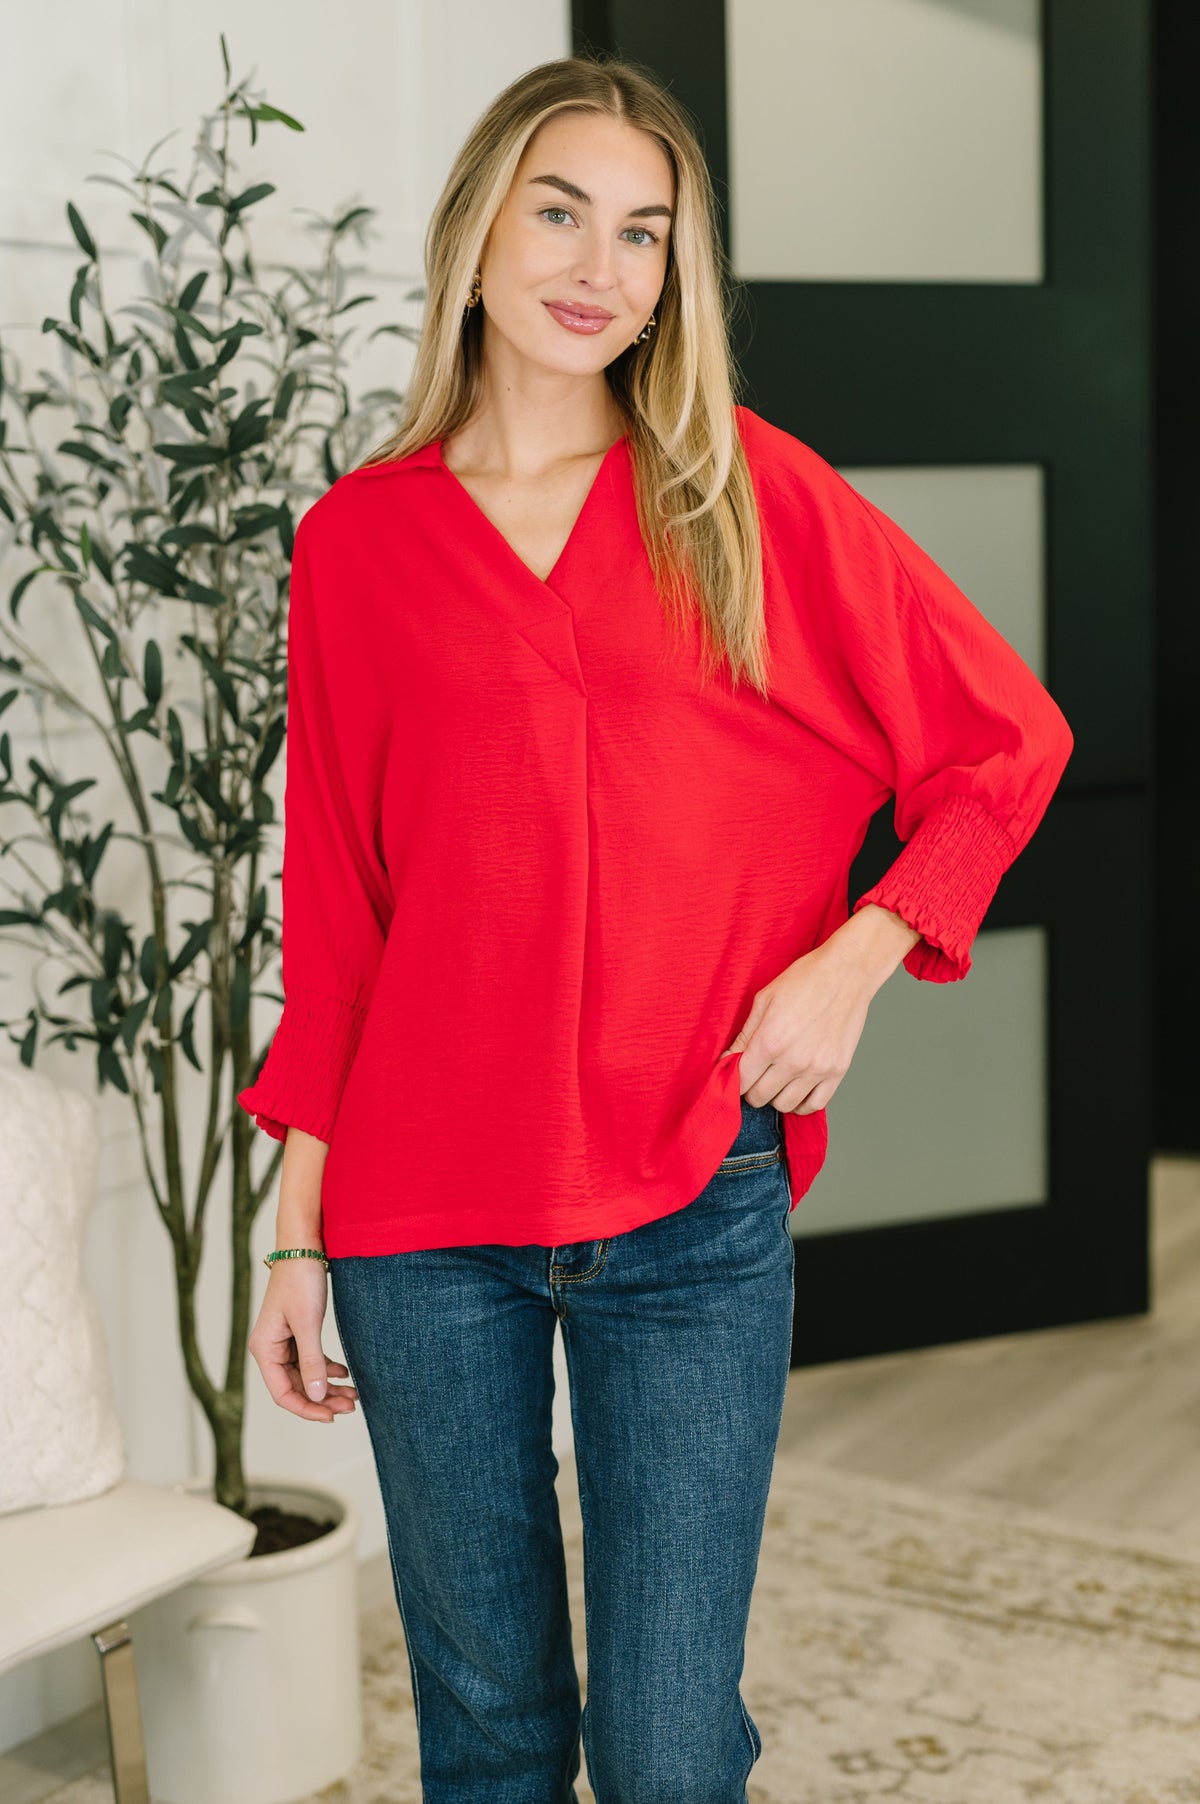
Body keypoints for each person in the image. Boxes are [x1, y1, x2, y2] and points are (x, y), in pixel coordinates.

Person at [243, 51, 1074, 1804]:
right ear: (476, 231)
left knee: (672, 1749)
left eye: (645, 234)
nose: (598, 265)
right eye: (561, 211)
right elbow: (340, 908)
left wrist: (853, 960)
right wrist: (297, 1234)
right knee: (486, 1735)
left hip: (695, 1194)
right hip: (418, 1222)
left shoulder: (745, 498)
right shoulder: (357, 545)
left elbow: (1007, 741)